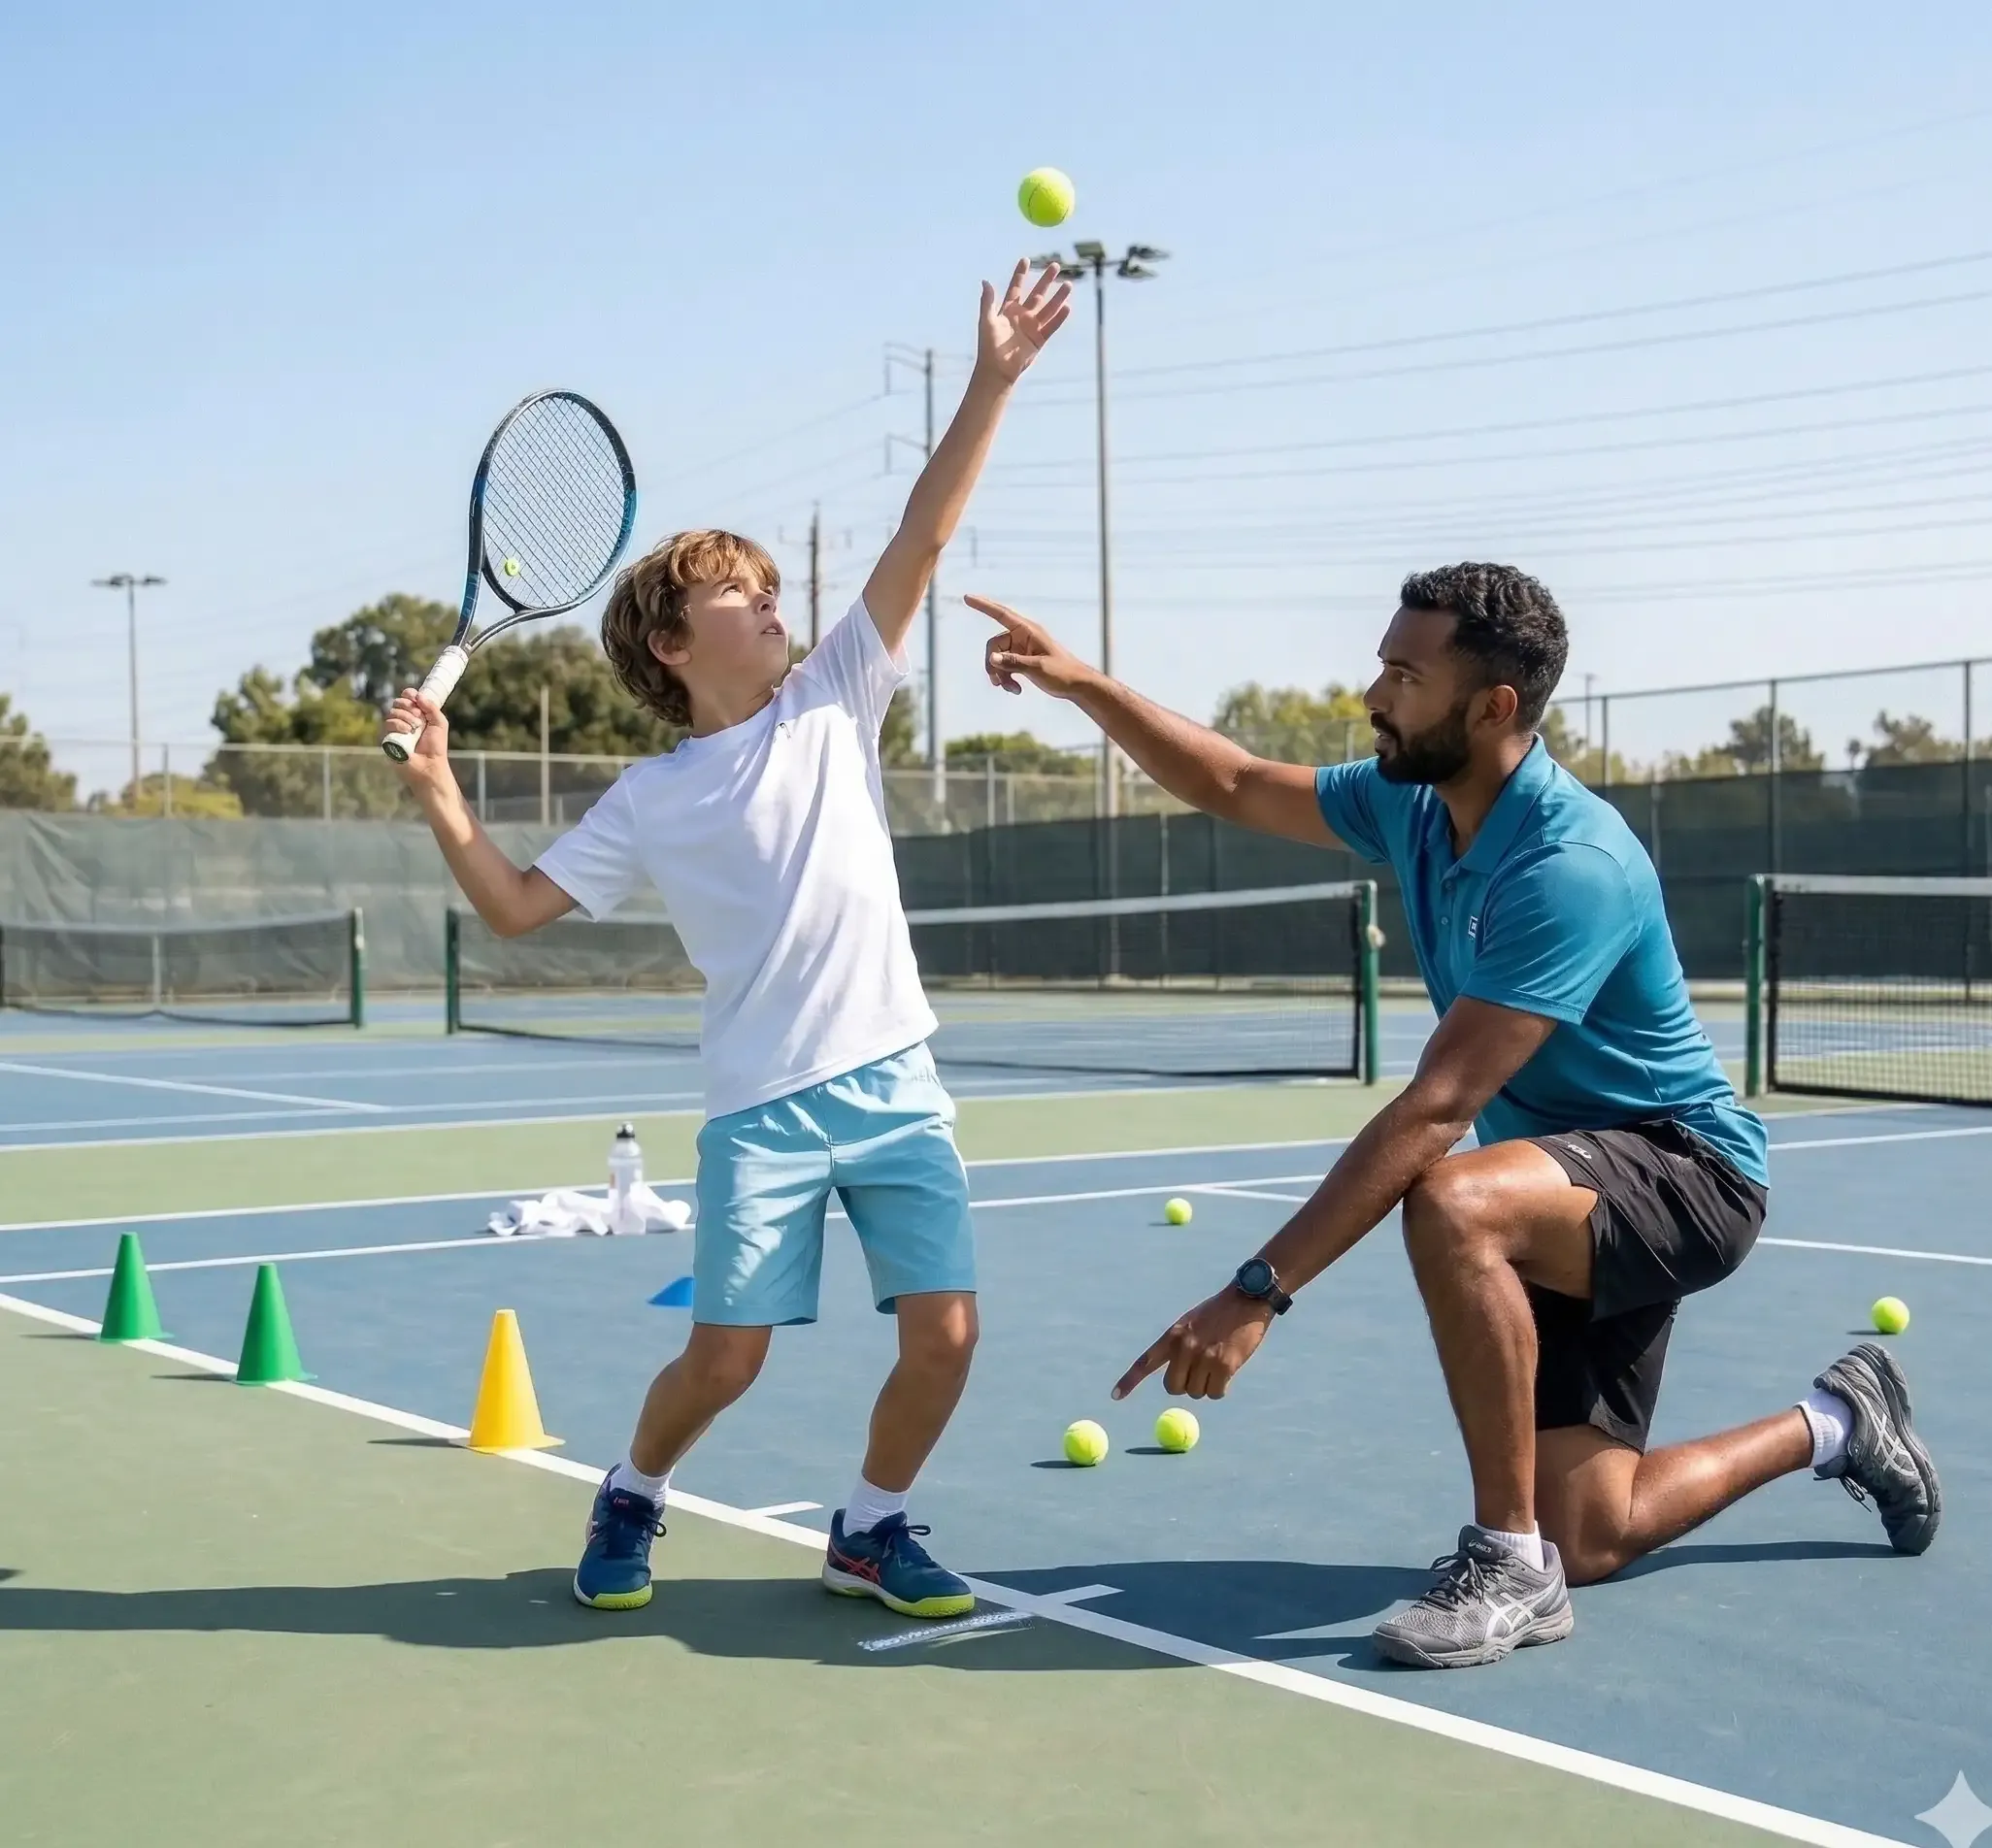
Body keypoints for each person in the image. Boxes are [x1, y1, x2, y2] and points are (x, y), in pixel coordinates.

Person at [970, 564, 1942, 1669]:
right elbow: (1238, 780)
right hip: (1563, 1183)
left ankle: (1506, 1563)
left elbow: (1439, 1103)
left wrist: (1258, 1290)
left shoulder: (1570, 864)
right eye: (1383, 663)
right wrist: (1087, 684)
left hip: (1689, 1172)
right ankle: (1839, 1418)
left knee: (1454, 1200)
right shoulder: (1413, 800)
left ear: (1493, 708)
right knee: (1597, 1527)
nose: (1374, 692)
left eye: (1403, 673)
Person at [384, 261, 1071, 1618]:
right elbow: (516, 909)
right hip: (761, 1111)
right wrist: (440, 793)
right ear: (667, 649)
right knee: (728, 1356)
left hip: (897, 1087)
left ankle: (871, 1527)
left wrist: (992, 379)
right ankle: (634, 1489)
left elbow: (923, 539)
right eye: (738, 594)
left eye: (770, 589)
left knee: (949, 1334)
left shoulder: (835, 694)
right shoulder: (649, 798)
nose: (772, 603)